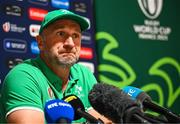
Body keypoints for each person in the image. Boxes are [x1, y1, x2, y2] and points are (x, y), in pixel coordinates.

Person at [0, 9, 111, 123]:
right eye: (61, 33)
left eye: (75, 35)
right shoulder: (23, 76)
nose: (70, 43)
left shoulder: (84, 75)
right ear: (40, 42)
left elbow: (104, 120)